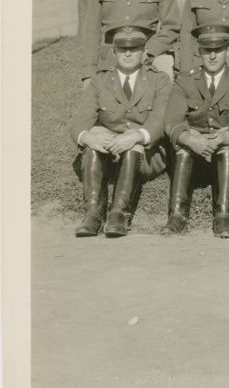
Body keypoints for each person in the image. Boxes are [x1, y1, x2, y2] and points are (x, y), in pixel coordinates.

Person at [69, 25, 172, 237]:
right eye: (122, 48)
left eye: (134, 48)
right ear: (113, 52)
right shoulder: (100, 81)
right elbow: (80, 119)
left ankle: (119, 214)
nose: (127, 53)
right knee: (93, 142)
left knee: (133, 145)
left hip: (146, 155)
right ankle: (93, 214)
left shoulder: (159, 80)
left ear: (144, 51)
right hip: (109, 152)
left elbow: (160, 119)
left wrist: (137, 135)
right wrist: (87, 137)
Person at [162, 24, 229, 238]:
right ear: (199, 52)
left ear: (228, 51)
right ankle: (177, 215)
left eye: (218, 50)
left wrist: (226, 136)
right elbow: (171, 120)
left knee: (227, 147)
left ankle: (223, 216)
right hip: (193, 158)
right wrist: (188, 137)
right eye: (207, 50)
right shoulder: (185, 80)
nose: (213, 56)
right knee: (183, 149)